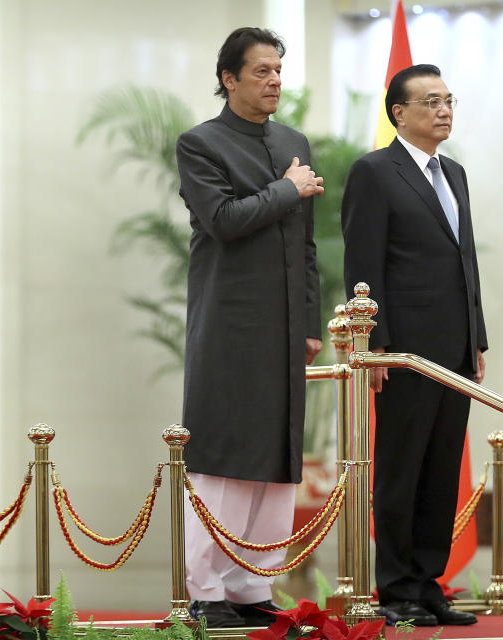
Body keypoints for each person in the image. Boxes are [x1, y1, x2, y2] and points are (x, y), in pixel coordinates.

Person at [175, 27, 324, 628]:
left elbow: (306, 247)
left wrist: (311, 323)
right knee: (223, 458)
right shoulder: (201, 144)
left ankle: (253, 589)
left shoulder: (293, 140)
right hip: (229, 322)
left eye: (279, 71)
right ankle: (206, 589)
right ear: (229, 78)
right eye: (261, 72)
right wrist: (286, 189)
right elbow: (223, 221)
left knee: (276, 458)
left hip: (287, 326)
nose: (275, 83)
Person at [341, 64, 487, 627]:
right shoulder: (375, 173)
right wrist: (372, 343)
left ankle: (428, 584)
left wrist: (477, 337)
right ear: (399, 113)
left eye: (449, 100)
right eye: (431, 101)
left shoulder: (455, 173)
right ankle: (395, 587)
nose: (444, 110)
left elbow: (464, 263)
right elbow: (363, 264)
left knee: (441, 469)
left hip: (454, 350)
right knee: (401, 469)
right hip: (403, 351)